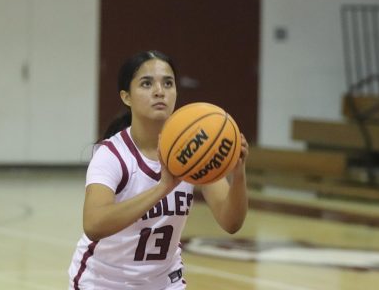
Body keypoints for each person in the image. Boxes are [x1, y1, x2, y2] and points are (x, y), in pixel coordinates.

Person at [68, 50, 249, 289]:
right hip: (104, 283)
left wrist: (238, 172)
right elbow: (93, 224)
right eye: (146, 83)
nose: (159, 91)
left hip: (165, 283)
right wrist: (164, 187)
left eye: (168, 83)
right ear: (126, 97)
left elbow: (231, 222)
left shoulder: (195, 152)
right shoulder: (112, 155)